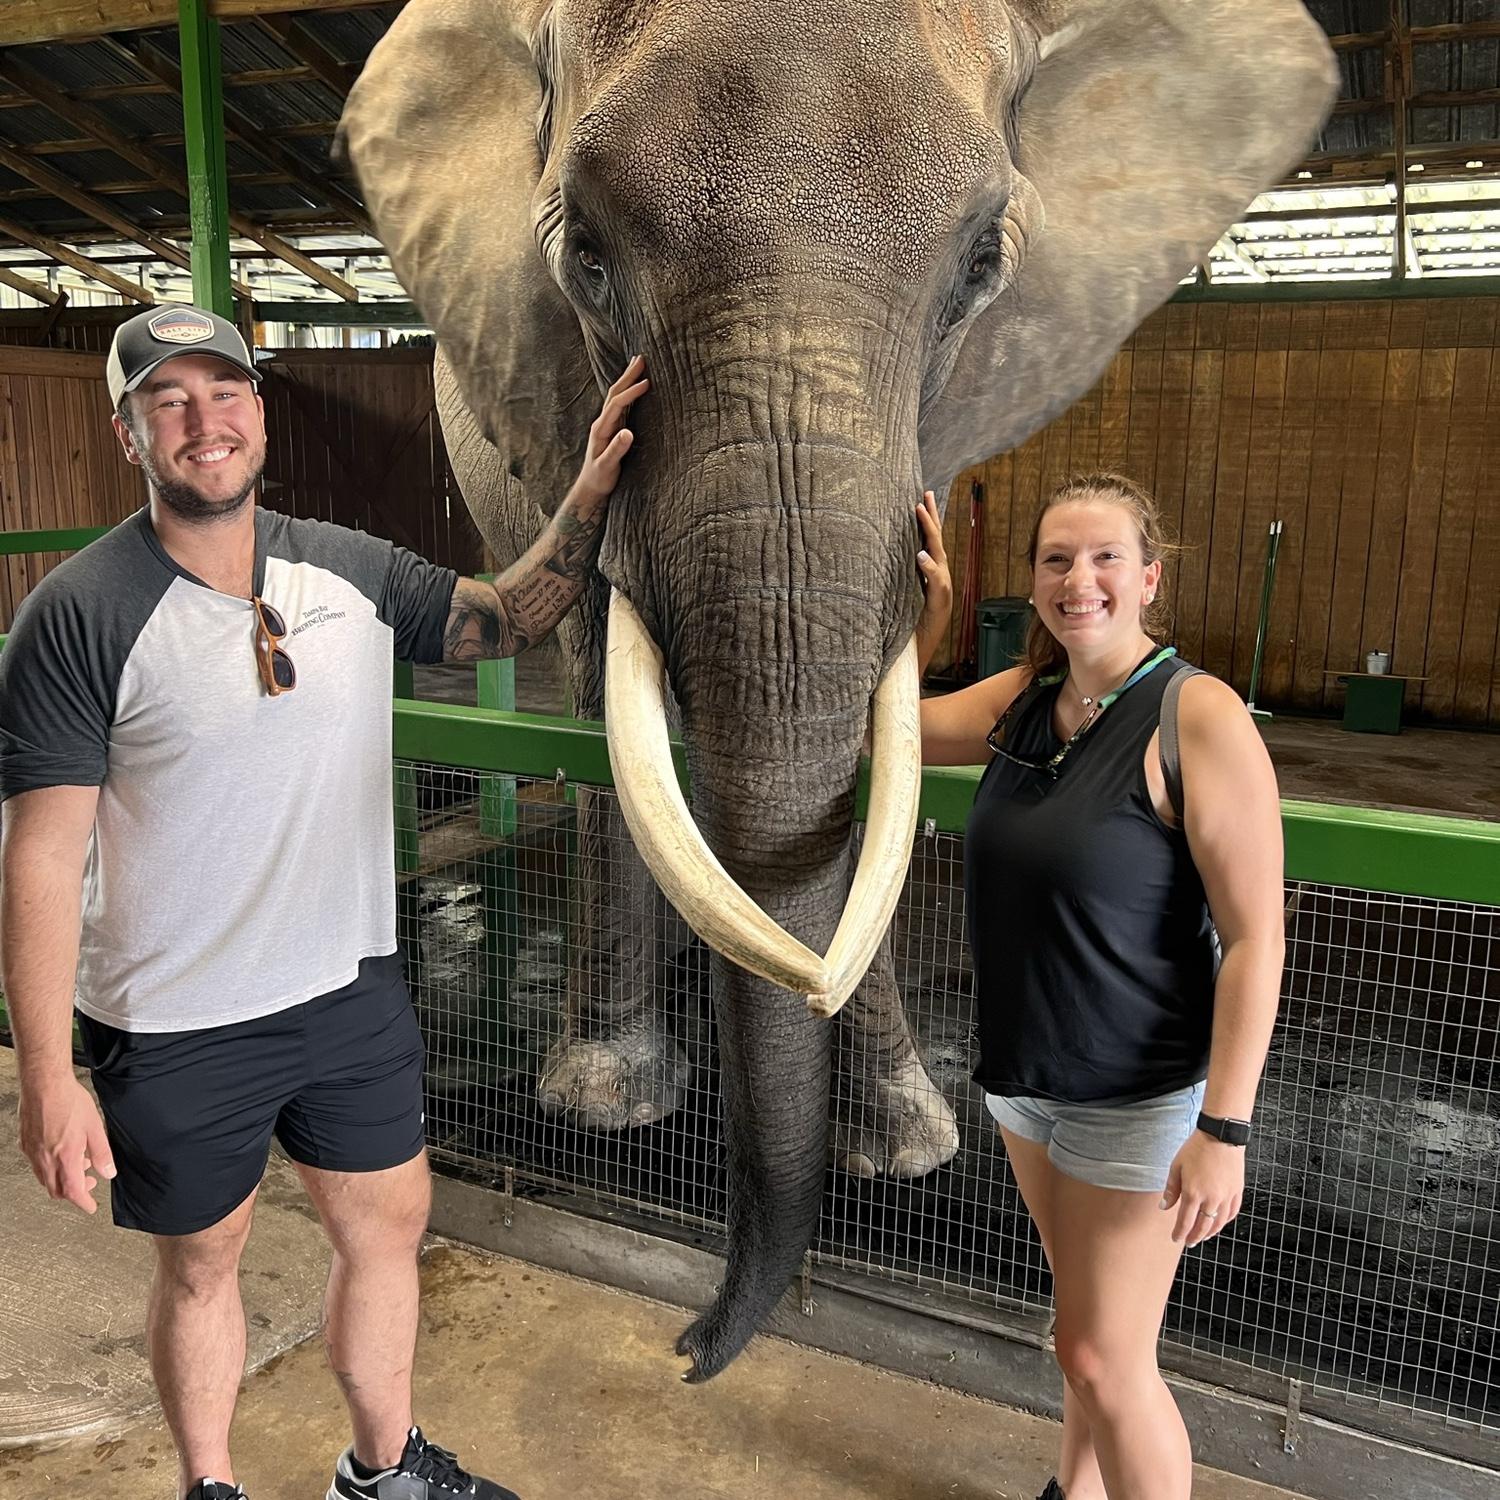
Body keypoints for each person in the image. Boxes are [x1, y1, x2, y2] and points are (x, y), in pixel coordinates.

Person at [0, 303, 649, 1500]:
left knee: (389, 1227)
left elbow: (503, 613)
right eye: (169, 400)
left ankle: (384, 1467)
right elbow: (41, 855)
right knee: (205, 1266)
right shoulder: (78, 616)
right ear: (127, 430)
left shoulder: (343, 566)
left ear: (260, 408)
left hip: (345, 990)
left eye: (226, 393)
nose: (206, 422)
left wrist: (597, 486)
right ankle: (211, 1486)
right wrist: (50, 1073)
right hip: (176, 1015)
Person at [913, 474, 1284, 1500]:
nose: (1082, 579)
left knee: (1103, 1360)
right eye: (1057, 560)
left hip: (1140, 1095)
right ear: (1032, 583)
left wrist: (1227, 1128)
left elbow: (1257, 937)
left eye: (1106, 557)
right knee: (1082, 1326)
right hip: (1028, 1081)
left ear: (1149, 576)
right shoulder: (1027, 701)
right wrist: (931, 620)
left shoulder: (1193, 715)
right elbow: (882, 732)